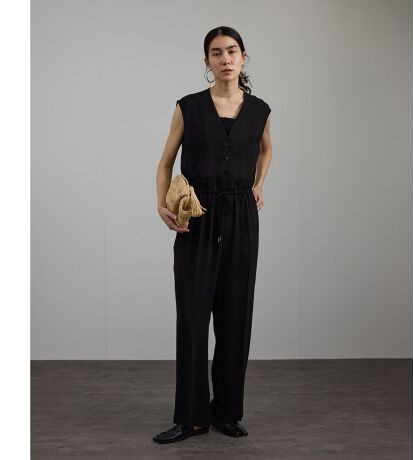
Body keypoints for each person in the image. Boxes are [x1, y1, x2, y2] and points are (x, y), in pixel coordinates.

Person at [153, 26, 272, 444]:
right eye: (217, 53)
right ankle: (191, 417)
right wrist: (162, 203)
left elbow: (266, 149)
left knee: (235, 316)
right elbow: (166, 161)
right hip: (197, 215)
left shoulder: (259, 110)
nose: (225, 59)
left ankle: (226, 413)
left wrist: (258, 184)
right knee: (192, 315)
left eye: (232, 51)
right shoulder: (188, 107)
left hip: (241, 216)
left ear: (243, 58)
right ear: (207, 62)